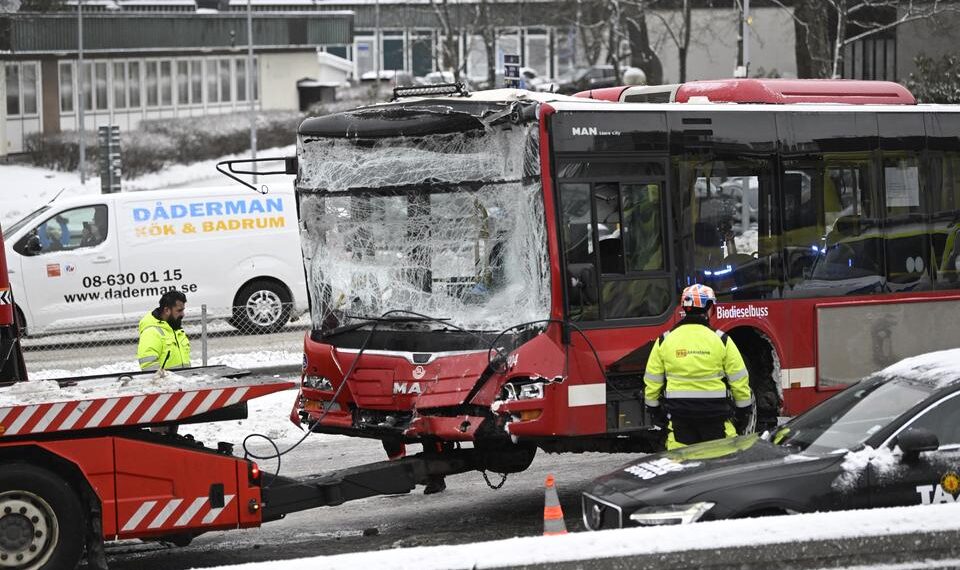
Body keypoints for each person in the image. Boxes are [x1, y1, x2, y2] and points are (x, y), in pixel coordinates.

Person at [643, 284, 753, 450]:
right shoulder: (722, 340)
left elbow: (652, 382)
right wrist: (742, 413)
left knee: (681, 460)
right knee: (721, 459)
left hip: (679, 418)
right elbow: (740, 382)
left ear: (685, 308)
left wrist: (655, 412)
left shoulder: (664, 341)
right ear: (709, 308)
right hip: (716, 418)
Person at [137, 291, 191, 371]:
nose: (183, 314)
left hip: (182, 378)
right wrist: (167, 378)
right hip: (167, 379)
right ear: (166, 310)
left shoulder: (176, 329)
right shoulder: (151, 332)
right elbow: (149, 367)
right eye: (179, 310)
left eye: (183, 310)